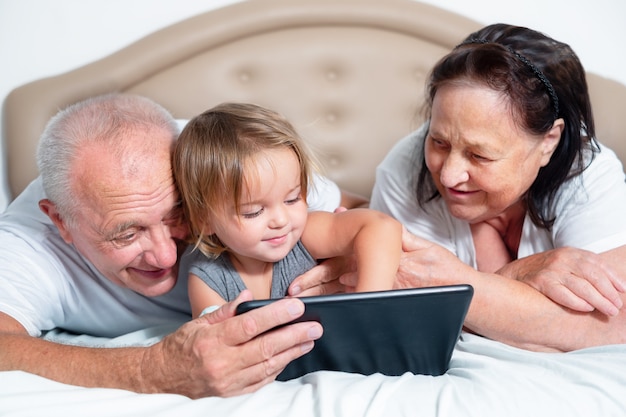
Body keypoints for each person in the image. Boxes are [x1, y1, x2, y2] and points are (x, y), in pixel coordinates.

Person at [0, 93, 362, 398]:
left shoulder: (219, 159)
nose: (166, 255)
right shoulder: (27, 245)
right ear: (61, 221)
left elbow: (358, 208)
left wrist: (342, 265)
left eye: (179, 213)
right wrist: (151, 370)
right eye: (127, 233)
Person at [363, 23, 626, 352]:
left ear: (549, 141)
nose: (448, 175)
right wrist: (521, 273)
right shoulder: (405, 167)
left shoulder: (587, 174)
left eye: (479, 155)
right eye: (439, 141)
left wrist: (454, 286)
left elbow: (612, 325)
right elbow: (405, 311)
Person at [172, 103, 401, 317]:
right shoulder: (208, 281)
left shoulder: (305, 235)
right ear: (204, 220)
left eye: (292, 199)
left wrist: (368, 310)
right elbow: (216, 350)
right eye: (253, 212)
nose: (281, 220)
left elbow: (381, 226)